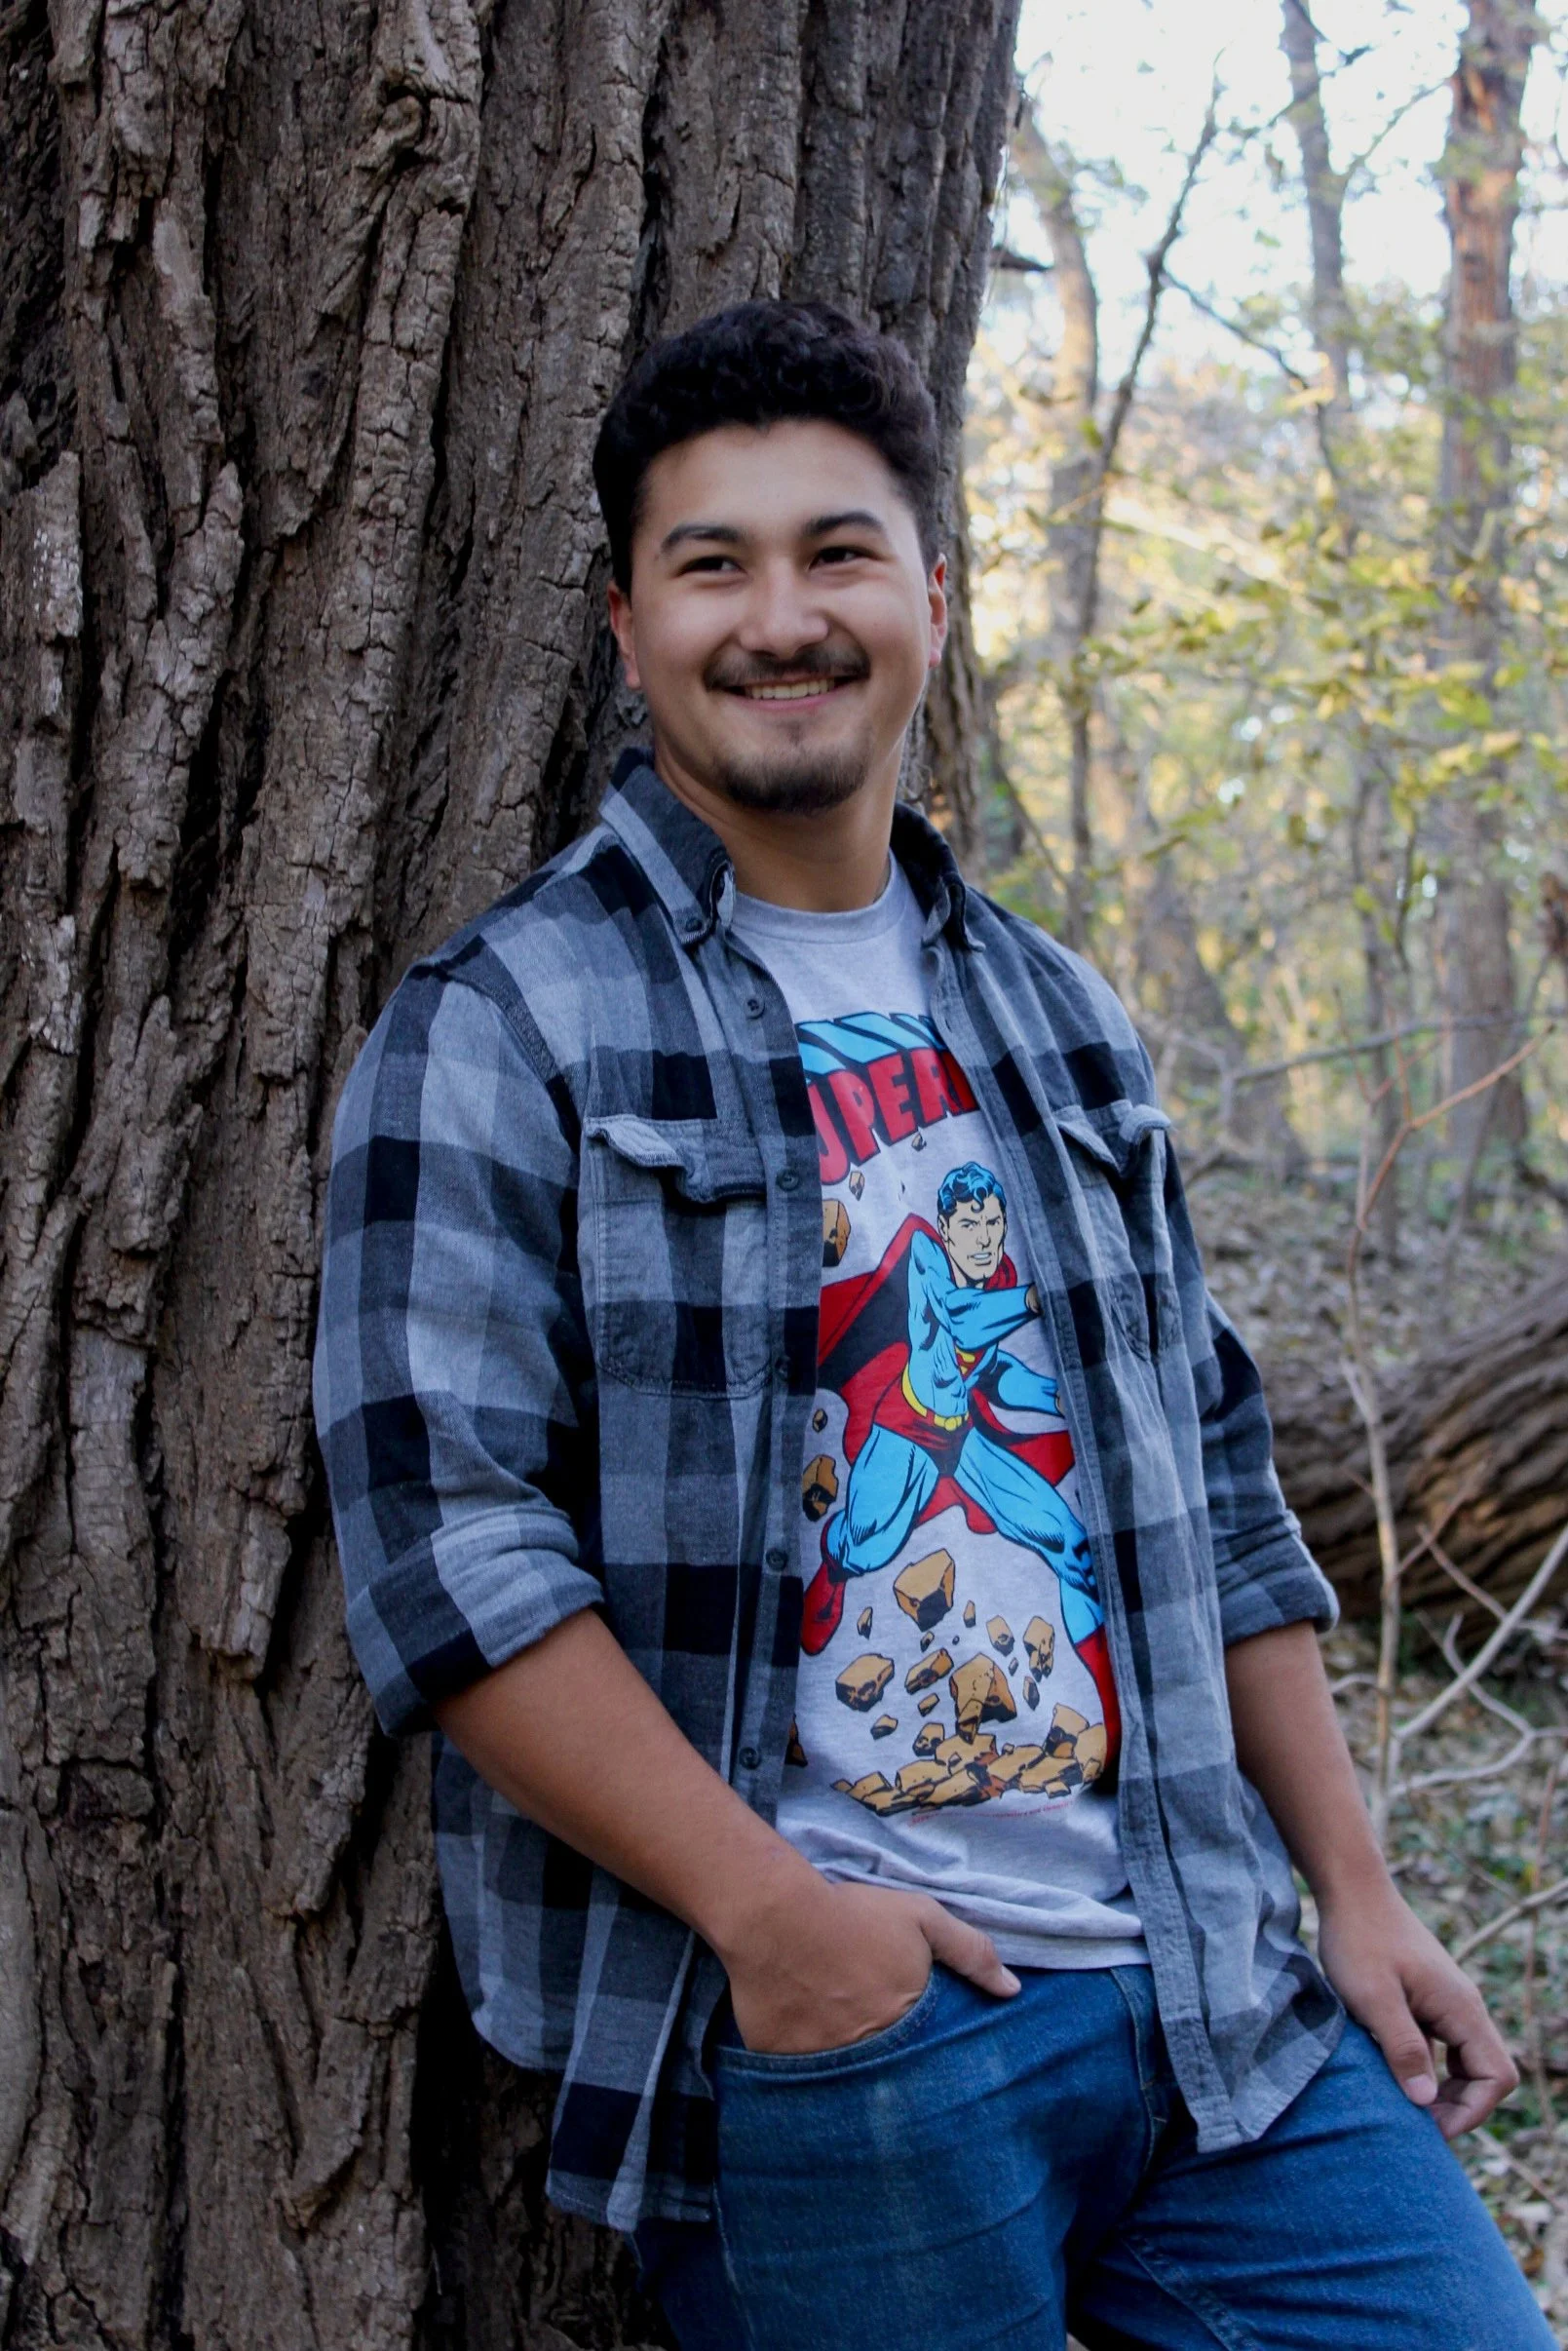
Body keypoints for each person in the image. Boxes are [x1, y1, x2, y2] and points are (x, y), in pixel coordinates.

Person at [314, 300, 1551, 2351]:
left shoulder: (1063, 1017)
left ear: (934, 600)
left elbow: (1217, 1480)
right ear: (627, 628)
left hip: (1219, 1996)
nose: (780, 617)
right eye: (712, 565)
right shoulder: (507, 1024)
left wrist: (1353, 1886)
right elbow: (447, 1552)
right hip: (861, 2034)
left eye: (839, 553)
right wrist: (780, 1926)